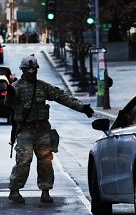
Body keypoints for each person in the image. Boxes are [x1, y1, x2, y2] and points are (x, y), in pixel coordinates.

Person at [5, 55, 94, 204]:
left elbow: (62, 97)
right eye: (29, 70)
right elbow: (8, 104)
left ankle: (45, 191)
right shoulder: (16, 88)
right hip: (25, 130)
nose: (32, 72)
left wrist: (82, 107)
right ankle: (14, 190)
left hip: (42, 130)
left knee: (46, 161)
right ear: (23, 70)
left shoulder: (42, 86)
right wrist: (10, 95)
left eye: (34, 70)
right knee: (23, 161)